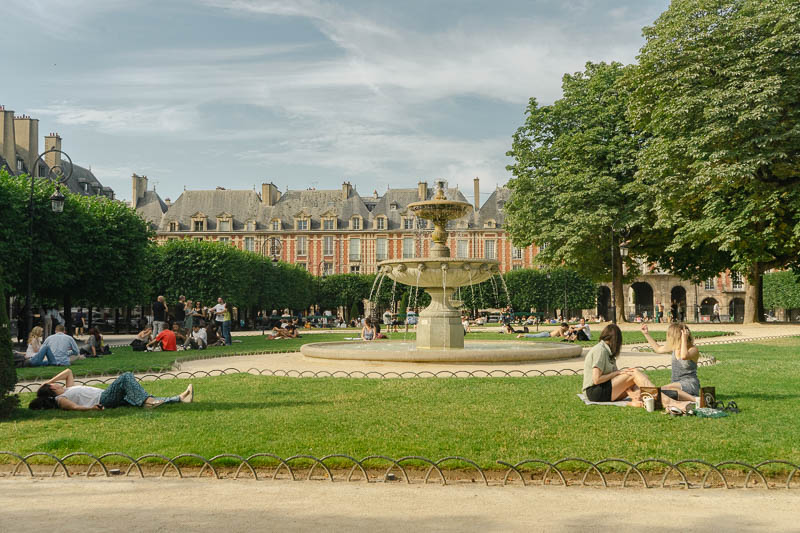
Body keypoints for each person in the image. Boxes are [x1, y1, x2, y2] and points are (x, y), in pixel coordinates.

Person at [29, 368, 193, 411]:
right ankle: (149, 401)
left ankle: (179, 398)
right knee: (126, 377)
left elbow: (68, 372)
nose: (58, 383)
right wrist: (91, 409)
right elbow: (74, 407)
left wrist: (47, 382)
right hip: (104, 399)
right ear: (51, 389)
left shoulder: (68, 388)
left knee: (136, 398)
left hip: (106, 396)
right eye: (53, 384)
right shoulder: (60, 399)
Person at [640, 323, 702, 397]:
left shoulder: (693, 349)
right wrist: (646, 334)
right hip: (675, 385)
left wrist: (684, 340)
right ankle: (646, 394)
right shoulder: (675, 347)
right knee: (663, 391)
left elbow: (684, 356)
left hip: (690, 384)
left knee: (662, 390)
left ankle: (648, 394)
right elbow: (658, 349)